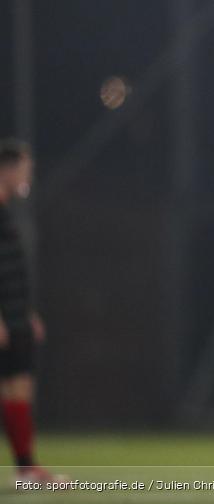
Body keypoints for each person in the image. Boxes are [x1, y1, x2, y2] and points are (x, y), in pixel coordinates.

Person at [0, 139, 61, 484]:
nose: (27, 176)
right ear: (6, 169)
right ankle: (26, 468)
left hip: (14, 316)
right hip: (5, 319)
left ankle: (25, 468)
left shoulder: (6, 209)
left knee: (16, 390)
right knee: (17, 389)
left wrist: (25, 312)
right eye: (24, 169)